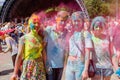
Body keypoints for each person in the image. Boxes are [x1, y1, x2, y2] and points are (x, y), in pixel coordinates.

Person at [10, 14, 46, 80]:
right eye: (34, 23)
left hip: (40, 66)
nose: (37, 25)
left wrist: (46, 66)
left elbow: (43, 53)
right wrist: (15, 73)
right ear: (30, 24)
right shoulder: (24, 38)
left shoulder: (40, 38)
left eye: (38, 23)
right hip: (29, 67)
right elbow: (19, 56)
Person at [65, 11, 93, 80]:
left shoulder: (86, 34)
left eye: (78, 21)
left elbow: (87, 52)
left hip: (80, 64)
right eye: (74, 21)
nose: (76, 23)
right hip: (69, 64)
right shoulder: (70, 33)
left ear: (82, 21)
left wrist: (85, 70)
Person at [44, 10, 69, 80]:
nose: (63, 23)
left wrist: (65, 65)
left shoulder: (67, 32)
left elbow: (67, 50)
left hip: (60, 66)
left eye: (65, 21)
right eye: (61, 20)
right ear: (56, 19)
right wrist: (46, 64)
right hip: (50, 65)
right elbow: (43, 48)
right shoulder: (49, 30)